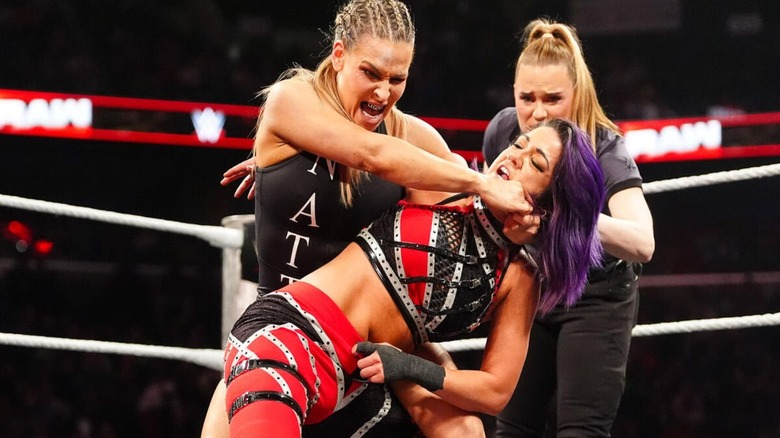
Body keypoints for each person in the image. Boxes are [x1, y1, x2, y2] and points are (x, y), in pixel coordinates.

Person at [203, 1, 537, 436]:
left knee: (465, 432)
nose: (383, 92)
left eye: (397, 79)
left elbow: (476, 223)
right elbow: (368, 152)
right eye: (371, 74)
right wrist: (481, 182)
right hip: (283, 327)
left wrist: (529, 222)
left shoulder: (413, 139)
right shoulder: (292, 100)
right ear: (339, 55)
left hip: (376, 340)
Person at [223, 119, 605, 438]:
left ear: (552, 203)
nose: (514, 157)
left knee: (466, 433)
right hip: (293, 334)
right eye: (518, 145)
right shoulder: (447, 181)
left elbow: (495, 391)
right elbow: (367, 130)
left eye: (535, 163)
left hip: (358, 375)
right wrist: (283, 165)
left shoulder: (520, 278)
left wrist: (410, 366)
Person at [481, 19, 655, 437]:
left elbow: (642, 242)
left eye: (553, 99)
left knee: (581, 431)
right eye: (527, 98)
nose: (537, 112)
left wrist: (568, 213)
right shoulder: (505, 133)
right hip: (533, 285)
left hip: (597, 296)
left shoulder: (605, 149)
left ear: (575, 95)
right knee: (511, 427)